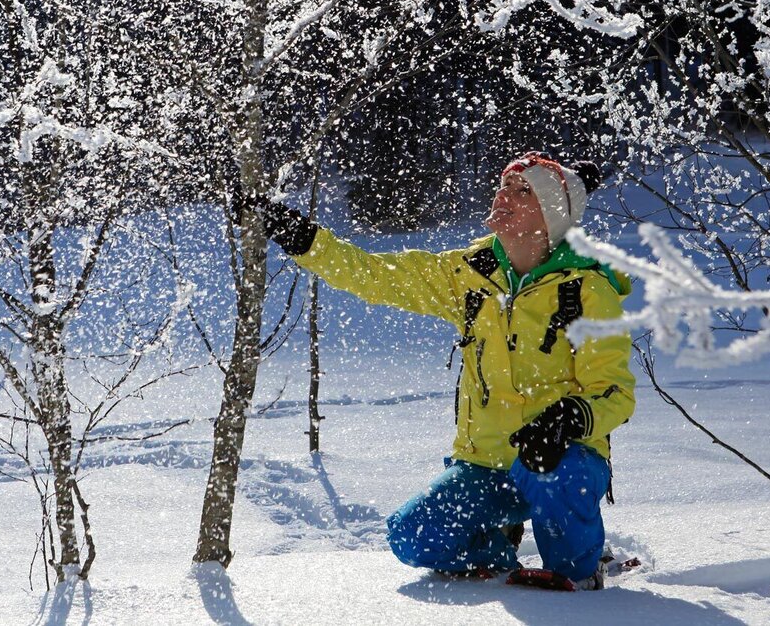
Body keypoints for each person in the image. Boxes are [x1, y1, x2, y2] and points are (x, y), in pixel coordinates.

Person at [251, 152, 634, 590]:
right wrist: (301, 238)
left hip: (561, 462)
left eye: (522, 190)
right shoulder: (468, 274)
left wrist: (568, 421)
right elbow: (375, 275)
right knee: (412, 536)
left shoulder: (586, 291)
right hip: (486, 464)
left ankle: (581, 572)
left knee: (555, 481)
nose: (504, 194)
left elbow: (615, 393)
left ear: (551, 215)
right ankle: (495, 549)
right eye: (504, 184)